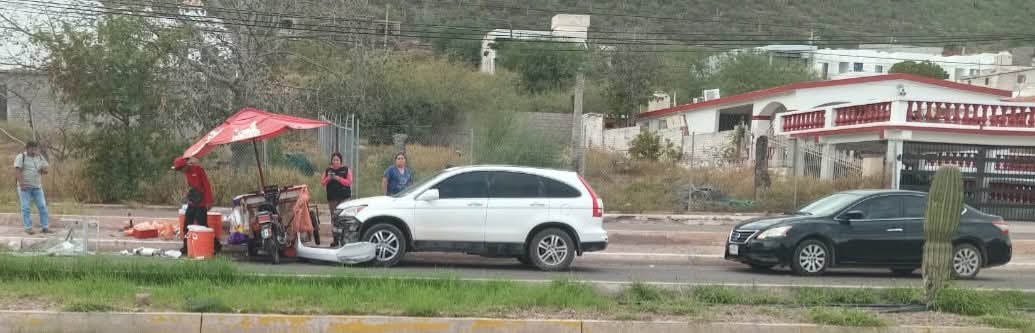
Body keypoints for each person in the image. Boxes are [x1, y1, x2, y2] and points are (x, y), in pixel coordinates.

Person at [172, 156, 220, 253]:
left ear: (185, 166)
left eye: (181, 169)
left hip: (201, 203)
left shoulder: (198, 169)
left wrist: (209, 201)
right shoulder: (186, 173)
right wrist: (188, 194)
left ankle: (216, 245)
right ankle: (186, 246)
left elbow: (206, 185)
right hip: (192, 202)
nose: (181, 172)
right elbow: (191, 186)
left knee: (203, 226)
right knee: (186, 225)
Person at [14, 141, 50, 235]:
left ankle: (45, 227)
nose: (34, 150)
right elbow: (17, 171)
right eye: (32, 148)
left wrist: (43, 170)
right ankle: (28, 228)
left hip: (37, 186)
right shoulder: (21, 157)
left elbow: (45, 170)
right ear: (27, 148)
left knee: (42, 206)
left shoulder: (39, 157)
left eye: (36, 148)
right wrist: (22, 184)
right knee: (26, 207)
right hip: (25, 187)